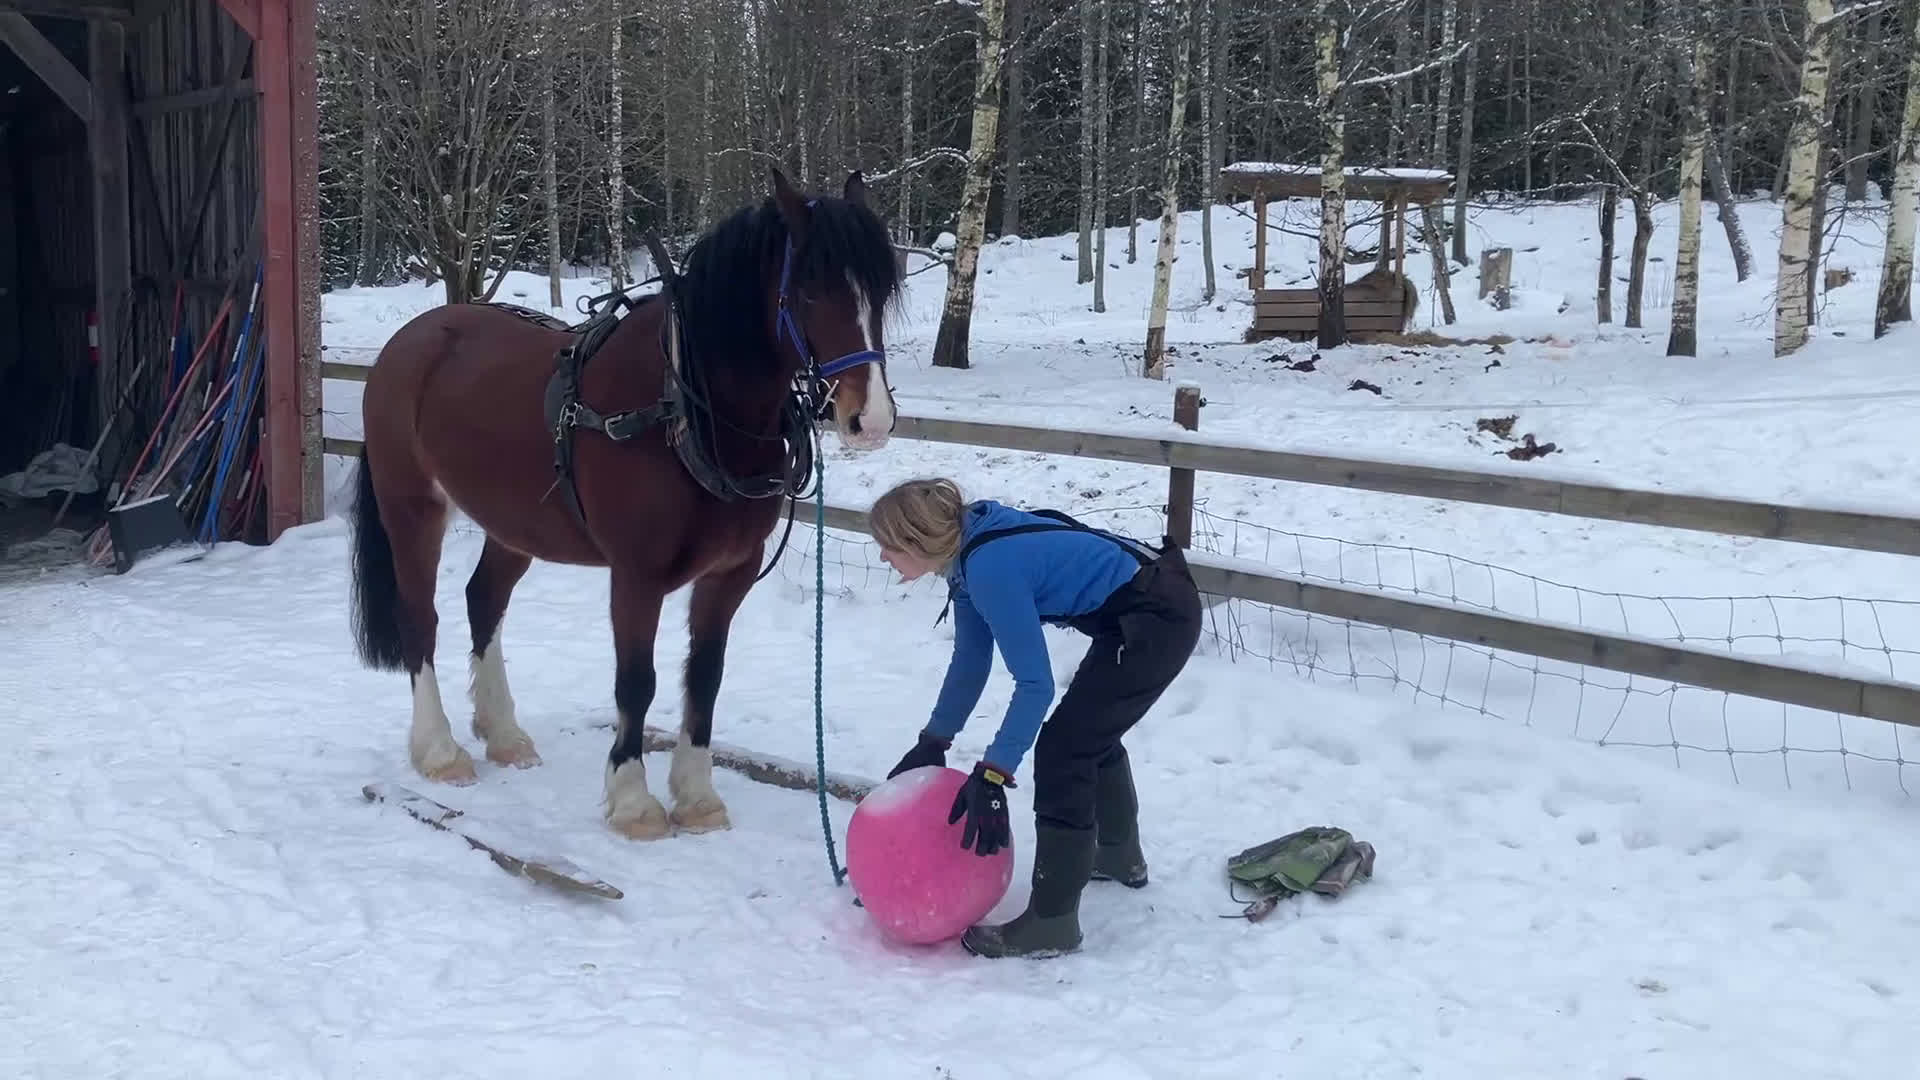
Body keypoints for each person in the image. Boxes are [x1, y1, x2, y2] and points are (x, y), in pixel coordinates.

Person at [868, 477, 1203, 958]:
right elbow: (971, 658)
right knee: (1089, 734)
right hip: (1140, 608)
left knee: (1066, 749)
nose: (883, 558)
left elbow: (1034, 685)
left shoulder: (988, 567)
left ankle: (1052, 922)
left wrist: (994, 771)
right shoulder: (967, 559)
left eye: (887, 546)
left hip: (1157, 615)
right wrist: (935, 738)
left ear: (915, 540)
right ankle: (1117, 854)